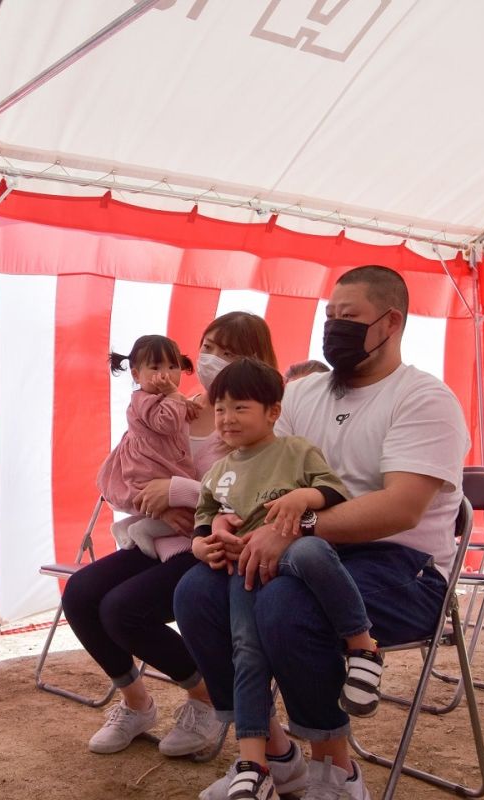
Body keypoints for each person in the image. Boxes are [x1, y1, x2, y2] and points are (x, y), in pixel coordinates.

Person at [174, 266, 470, 800]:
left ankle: (335, 769)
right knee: (196, 592)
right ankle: (274, 754)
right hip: (304, 551)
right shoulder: (302, 393)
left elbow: (401, 509)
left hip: (403, 569)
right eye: (329, 316)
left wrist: (294, 528)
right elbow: (250, 465)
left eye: (348, 317)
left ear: (391, 322)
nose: (333, 328)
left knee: (286, 606)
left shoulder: (424, 398)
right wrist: (222, 518)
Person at [64, 313, 306, 787]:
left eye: (231, 352)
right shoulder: (174, 409)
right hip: (162, 535)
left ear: (256, 364)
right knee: (80, 593)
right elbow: (127, 474)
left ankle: (203, 700)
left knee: (124, 610)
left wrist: (176, 491)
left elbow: (250, 496)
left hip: (214, 547)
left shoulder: (251, 424)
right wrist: (149, 497)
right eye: (210, 345)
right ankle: (138, 705)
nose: (215, 358)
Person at [96, 335, 198, 558]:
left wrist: (182, 402)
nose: (165, 374)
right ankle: (141, 530)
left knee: (179, 507)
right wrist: (175, 396)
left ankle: (125, 527)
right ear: (136, 374)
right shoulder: (143, 399)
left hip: (156, 464)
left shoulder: (159, 398)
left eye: (173, 366)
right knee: (186, 513)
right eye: (155, 367)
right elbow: (166, 423)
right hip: (150, 469)